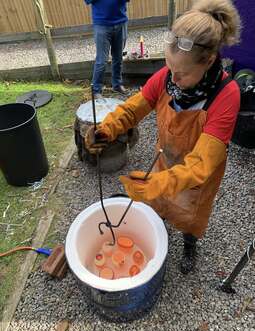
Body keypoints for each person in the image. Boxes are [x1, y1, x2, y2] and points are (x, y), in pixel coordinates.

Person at [85, 0, 241, 274]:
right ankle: (157, 227)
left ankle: (190, 242)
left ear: (209, 61)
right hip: (165, 159)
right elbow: (133, 109)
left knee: (190, 214)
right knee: (158, 202)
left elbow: (200, 165)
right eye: (170, 68)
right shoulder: (167, 77)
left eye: (182, 74)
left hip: (196, 178)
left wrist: (160, 183)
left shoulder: (226, 96)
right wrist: (107, 129)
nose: (173, 79)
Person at [84, 0, 130, 98]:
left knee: (118, 58)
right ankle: (96, 90)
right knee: (102, 60)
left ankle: (117, 85)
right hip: (101, 24)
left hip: (121, 22)